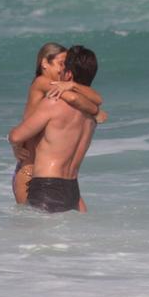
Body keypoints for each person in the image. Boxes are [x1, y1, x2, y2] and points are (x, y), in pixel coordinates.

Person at [11, 43, 105, 208]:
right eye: (60, 63)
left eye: (64, 65)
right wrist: (95, 111)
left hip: (51, 181)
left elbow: (93, 98)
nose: (62, 69)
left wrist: (73, 86)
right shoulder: (43, 83)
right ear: (44, 63)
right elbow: (80, 99)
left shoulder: (56, 99)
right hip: (32, 171)